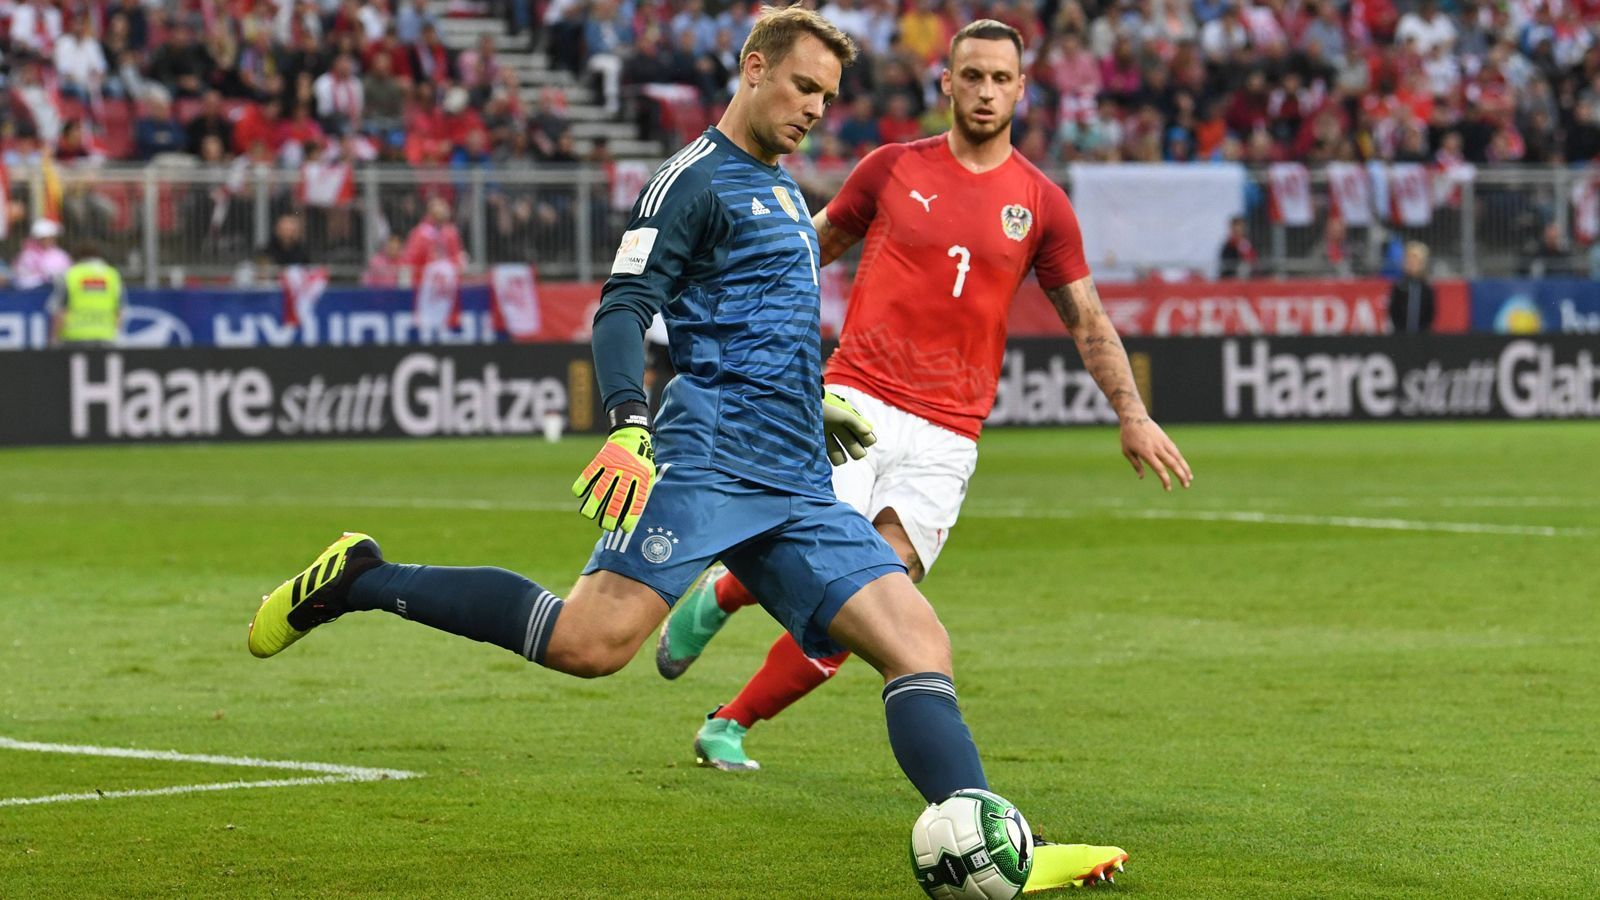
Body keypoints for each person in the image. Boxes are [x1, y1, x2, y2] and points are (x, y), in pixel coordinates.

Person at [246, 8, 1125, 891]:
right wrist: (629, 422)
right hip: (707, 459)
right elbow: (624, 306)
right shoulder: (690, 182)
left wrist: (811, 402)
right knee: (588, 644)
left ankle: (993, 841)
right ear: (753, 68)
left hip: (794, 473)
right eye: (803, 86)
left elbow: (761, 321)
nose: (817, 108)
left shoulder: (782, 188)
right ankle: (362, 578)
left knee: (917, 642)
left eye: (827, 94)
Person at [655, 13, 1186, 860]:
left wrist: (1132, 411)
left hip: (949, 434)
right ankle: (725, 594)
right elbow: (803, 250)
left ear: (1021, 87)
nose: (983, 91)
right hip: (854, 400)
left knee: (878, 599)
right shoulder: (892, 168)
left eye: (999, 79)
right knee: (824, 573)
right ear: (945, 82)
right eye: (969, 75)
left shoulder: (1042, 204)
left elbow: (1085, 317)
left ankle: (729, 716)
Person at [48, 240, 124, 347]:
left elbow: (60, 311)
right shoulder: (112, 275)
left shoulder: (69, 274)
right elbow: (119, 311)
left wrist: (54, 339)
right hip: (105, 337)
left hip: (74, 337)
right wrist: (115, 335)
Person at [1388, 240, 1435, 333]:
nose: (1412, 263)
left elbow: (1430, 312)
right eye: (1409, 260)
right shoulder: (1399, 286)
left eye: (1415, 260)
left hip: (1422, 335)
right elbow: (1393, 310)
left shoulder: (1426, 288)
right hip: (1400, 334)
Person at [14, 219, 73, 289]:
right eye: (45, 238)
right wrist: (42, 277)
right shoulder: (27, 255)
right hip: (35, 292)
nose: (49, 241)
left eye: (51, 238)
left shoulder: (60, 254)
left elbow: (68, 272)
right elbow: (21, 277)